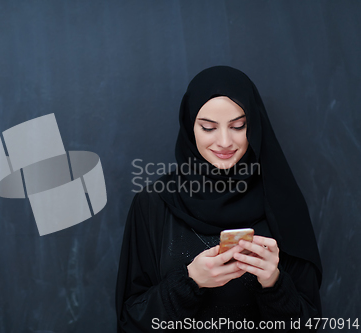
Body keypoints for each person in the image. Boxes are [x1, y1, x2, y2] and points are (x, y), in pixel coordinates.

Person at [115, 66, 322, 332]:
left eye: (238, 126)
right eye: (208, 127)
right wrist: (190, 282)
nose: (225, 141)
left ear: (255, 125)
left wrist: (273, 283)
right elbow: (130, 321)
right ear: (190, 128)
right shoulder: (154, 203)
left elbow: (310, 324)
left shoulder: (283, 203)